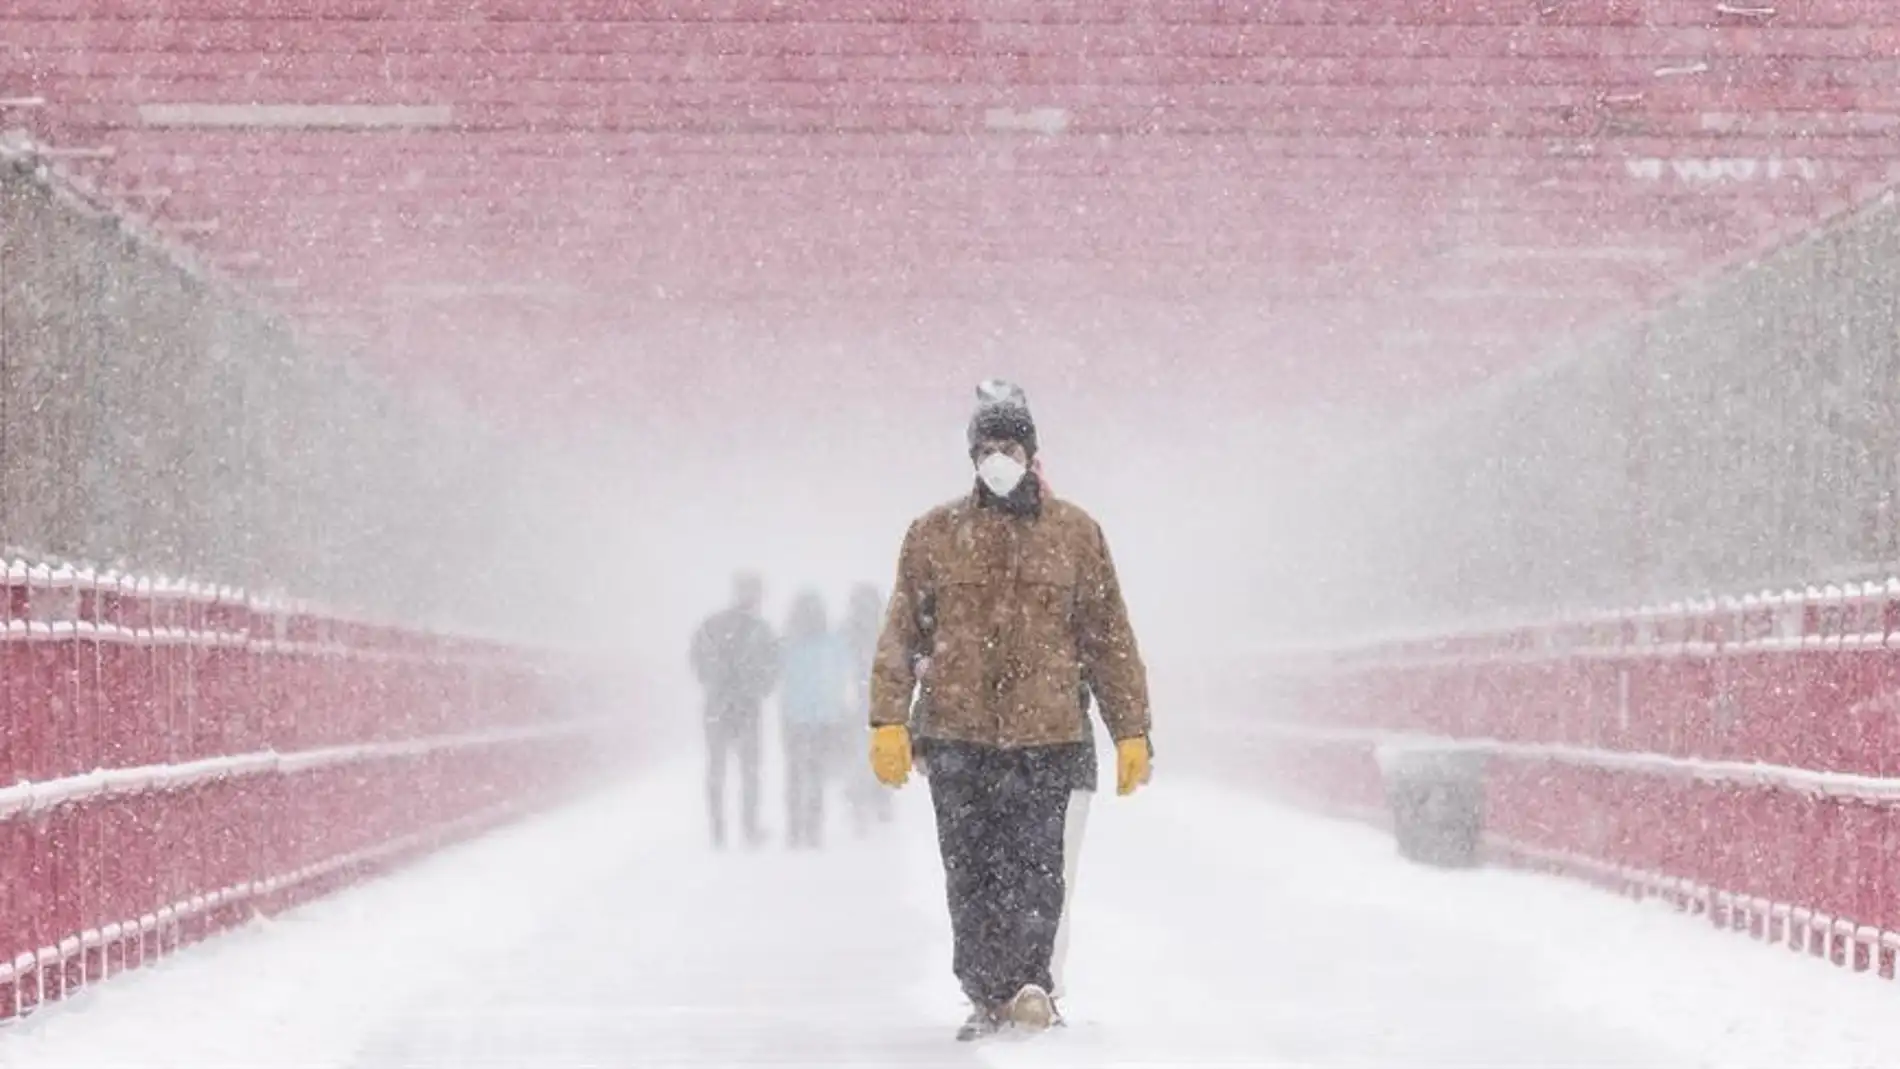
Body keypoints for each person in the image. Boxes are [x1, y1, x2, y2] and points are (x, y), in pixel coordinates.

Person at [866, 379, 1153, 1042]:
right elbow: (901, 631)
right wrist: (888, 717)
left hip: (1048, 735)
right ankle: (984, 991)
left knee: (1037, 872)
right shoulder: (934, 534)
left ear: (1031, 451)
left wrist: (1131, 727)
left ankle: (1032, 986)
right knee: (970, 872)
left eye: (1009, 444)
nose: (999, 457)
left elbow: (1108, 636)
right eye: (987, 447)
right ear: (972, 455)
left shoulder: (1076, 534)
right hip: (957, 736)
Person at [689, 571, 779, 849]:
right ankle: (749, 830)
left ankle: (718, 830)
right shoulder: (761, 629)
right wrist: (757, 689)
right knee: (749, 771)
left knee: (717, 769)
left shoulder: (712, 624)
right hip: (747, 709)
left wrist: (714, 684)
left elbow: (696, 659)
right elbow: (774, 667)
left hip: (716, 707)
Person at [778, 588, 849, 848]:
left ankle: (795, 828)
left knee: (795, 774)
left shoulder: (788, 643)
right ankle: (812, 829)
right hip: (823, 717)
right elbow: (841, 677)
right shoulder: (832, 642)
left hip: (794, 718)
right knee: (816, 773)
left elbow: (778, 676)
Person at [840, 582, 894, 834]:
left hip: (859, 704)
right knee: (877, 753)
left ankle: (860, 805)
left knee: (857, 757)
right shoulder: (884, 630)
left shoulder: (848, 633)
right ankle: (876, 800)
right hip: (876, 702)